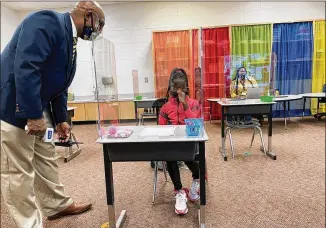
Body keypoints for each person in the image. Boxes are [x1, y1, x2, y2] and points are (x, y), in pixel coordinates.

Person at [0, 1, 105, 227]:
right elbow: (27, 66)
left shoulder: (70, 40)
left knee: (46, 154)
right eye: (100, 24)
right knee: (17, 170)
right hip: (12, 107)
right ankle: (28, 224)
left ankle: (56, 205)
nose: (98, 31)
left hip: (37, 110)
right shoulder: (47, 21)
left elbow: (60, 85)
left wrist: (60, 120)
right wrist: (32, 114)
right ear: (89, 15)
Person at [159, 68, 201, 215]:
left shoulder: (194, 103)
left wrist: (185, 105)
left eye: (181, 87)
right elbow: (161, 130)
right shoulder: (165, 107)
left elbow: (195, 124)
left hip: (190, 144)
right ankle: (179, 191)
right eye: (176, 87)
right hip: (172, 145)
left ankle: (198, 178)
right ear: (171, 87)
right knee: (170, 155)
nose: (179, 90)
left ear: (186, 87)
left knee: (186, 153)